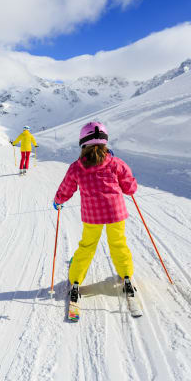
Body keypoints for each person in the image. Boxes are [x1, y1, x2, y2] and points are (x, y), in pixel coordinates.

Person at [52, 121, 138, 305]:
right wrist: (129, 187)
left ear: (83, 143)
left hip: (93, 216)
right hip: (116, 213)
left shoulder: (76, 167)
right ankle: (126, 278)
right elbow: (129, 186)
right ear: (104, 142)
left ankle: (75, 282)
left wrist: (59, 200)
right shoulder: (115, 162)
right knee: (118, 244)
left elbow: (66, 188)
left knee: (87, 246)